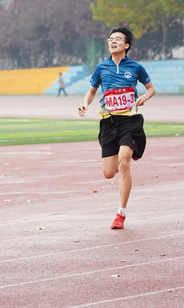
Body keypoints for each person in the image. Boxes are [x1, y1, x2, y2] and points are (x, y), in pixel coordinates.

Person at [78, 26, 155, 230]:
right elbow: (91, 91)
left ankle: (121, 213)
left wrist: (145, 97)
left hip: (130, 121)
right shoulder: (102, 67)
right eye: (110, 39)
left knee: (124, 162)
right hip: (109, 123)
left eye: (118, 39)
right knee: (109, 173)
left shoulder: (136, 68)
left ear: (126, 45)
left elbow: (151, 88)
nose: (112, 42)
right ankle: (126, 155)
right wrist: (86, 103)